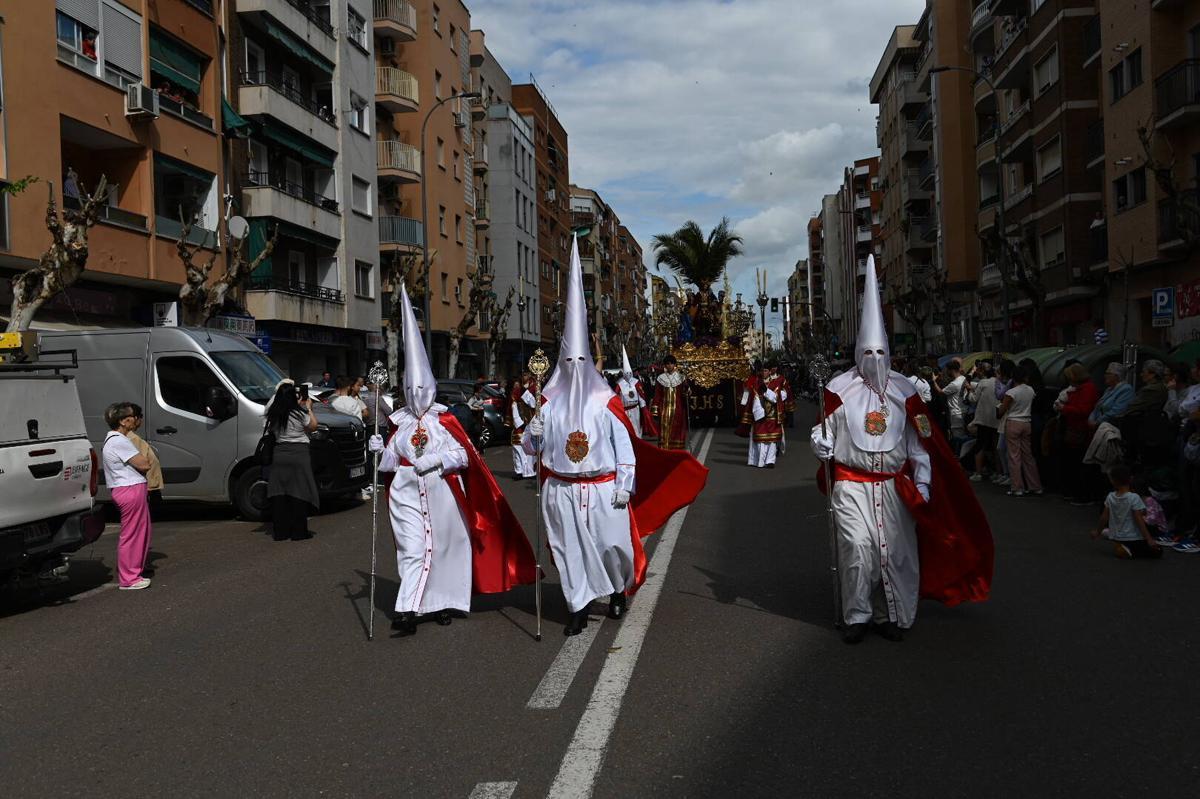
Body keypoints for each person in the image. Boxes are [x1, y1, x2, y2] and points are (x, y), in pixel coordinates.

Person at [526, 237, 708, 636]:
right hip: (562, 489)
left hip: (604, 486)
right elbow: (530, 449)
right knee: (570, 550)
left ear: (587, 362)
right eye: (567, 361)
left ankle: (617, 589)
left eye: (580, 360)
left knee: (612, 546)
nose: (573, 367)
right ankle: (577, 604)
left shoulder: (605, 400)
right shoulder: (549, 403)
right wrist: (533, 432)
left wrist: (625, 484)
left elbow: (624, 445)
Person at [810, 256, 993, 644]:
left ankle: (893, 614)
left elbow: (921, 443)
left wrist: (923, 483)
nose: (874, 361)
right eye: (868, 353)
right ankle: (857, 615)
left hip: (895, 486)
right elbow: (822, 432)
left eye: (881, 353)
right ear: (859, 351)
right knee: (858, 548)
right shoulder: (838, 390)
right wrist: (820, 442)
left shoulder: (906, 391)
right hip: (852, 484)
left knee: (895, 553)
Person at [370, 285, 537, 635]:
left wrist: (436, 461)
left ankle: (441, 601)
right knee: (413, 549)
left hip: (444, 494)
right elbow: (390, 464)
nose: (416, 395)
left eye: (422, 388)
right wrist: (377, 450)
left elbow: (465, 455)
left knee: (446, 548)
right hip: (406, 495)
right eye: (410, 389)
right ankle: (408, 609)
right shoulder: (397, 424)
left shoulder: (445, 420)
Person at [102, 402, 154, 590]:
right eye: (134, 416)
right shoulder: (119, 441)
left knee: (140, 531)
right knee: (132, 534)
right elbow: (144, 464)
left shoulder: (115, 440)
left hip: (129, 488)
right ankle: (129, 578)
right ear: (124, 421)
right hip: (129, 489)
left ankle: (135, 570)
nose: (137, 420)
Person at [263, 381, 319, 541]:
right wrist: (308, 408)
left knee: (280, 493)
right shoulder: (299, 413)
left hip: (280, 454)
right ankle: (298, 532)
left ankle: (281, 531)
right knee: (298, 492)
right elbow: (313, 426)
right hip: (299, 454)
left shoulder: (273, 414)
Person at [1090, 464, 1162, 559]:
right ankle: (1127, 551)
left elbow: (1104, 517)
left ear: (1112, 481)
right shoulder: (1134, 498)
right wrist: (1149, 539)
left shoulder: (1110, 496)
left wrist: (1097, 532)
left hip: (1117, 535)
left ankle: (1122, 546)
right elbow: (1138, 519)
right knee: (1158, 551)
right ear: (1131, 479)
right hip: (1132, 536)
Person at [999, 365, 1042, 497]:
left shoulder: (1011, 392)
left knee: (1014, 456)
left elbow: (1002, 410)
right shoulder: (1030, 390)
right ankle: (1035, 486)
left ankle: (1017, 487)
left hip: (1013, 422)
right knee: (1028, 455)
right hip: (1026, 423)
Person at [743, 362, 785, 468]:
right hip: (760, 415)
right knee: (760, 440)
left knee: (772, 440)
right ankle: (759, 461)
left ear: (770, 371)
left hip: (772, 415)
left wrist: (766, 392)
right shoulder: (756, 383)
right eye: (762, 371)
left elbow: (778, 397)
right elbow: (752, 397)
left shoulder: (775, 383)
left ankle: (770, 461)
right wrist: (758, 410)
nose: (764, 372)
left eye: (766, 370)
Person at [651, 354, 691, 450]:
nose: (669, 366)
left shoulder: (681, 377)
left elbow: (685, 394)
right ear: (665, 365)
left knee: (677, 430)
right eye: (667, 364)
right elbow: (657, 395)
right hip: (664, 409)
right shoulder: (661, 378)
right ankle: (664, 450)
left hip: (678, 409)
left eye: (671, 363)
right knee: (664, 430)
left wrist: (687, 389)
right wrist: (655, 410)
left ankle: (677, 450)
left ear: (675, 364)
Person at [968, 363, 1000, 481]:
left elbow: (973, 399)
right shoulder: (998, 381)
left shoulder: (983, 382)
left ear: (982, 371)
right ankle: (999, 473)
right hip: (997, 419)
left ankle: (978, 472)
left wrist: (969, 391)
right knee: (996, 446)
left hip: (984, 419)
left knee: (980, 445)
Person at [616, 346, 656, 439]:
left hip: (635, 409)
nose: (628, 375)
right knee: (627, 429)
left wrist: (644, 408)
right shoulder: (619, 384)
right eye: (627, 373)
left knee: (636, 427)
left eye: (629, 373)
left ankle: (638, 441)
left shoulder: (636, 382)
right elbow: (617, 396)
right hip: (625, 410)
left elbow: (640, 395)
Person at [509, 372, 538, 480]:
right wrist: (517, 422)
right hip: (519, 424)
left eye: (526, 375)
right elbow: (512, 406)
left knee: (530, 448)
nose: (524, 377)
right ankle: (519, 471)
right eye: (523, 375)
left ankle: (530, 472)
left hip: (531, 423)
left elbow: (534, 404)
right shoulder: (516, 392)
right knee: (518, 448)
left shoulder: (533, 389)